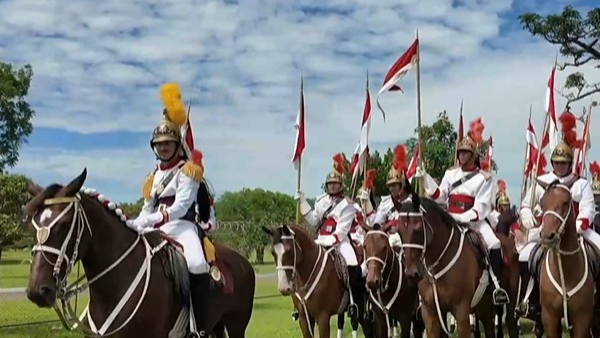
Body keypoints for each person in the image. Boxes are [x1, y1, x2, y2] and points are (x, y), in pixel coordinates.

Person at [128, 83, 210, 337]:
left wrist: (151, 219)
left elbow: (181, 206)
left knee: (197, 264)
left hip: (182, 227)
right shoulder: (150, 177)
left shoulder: (188, 171)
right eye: (159, 144)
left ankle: (197, 324)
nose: (163, 148)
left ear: (176, 144)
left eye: (167, 143)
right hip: (156, 227)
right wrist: (135, 223)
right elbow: (146, 207)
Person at [414, 117, 509, 305]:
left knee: (494, 243)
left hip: (474, 220)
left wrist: (461, 218)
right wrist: (425, 178)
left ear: (473, 155)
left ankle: (497, 286)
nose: (463, 156)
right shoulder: (451, 174)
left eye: (466, 153)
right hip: (449, 219)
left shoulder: (484, 178)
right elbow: (440, 196)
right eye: (461, 152)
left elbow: (481, 208)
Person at [519, 111, 598, 263]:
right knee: (524, 256)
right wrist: (526, 213)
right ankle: (528, 287)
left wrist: (577, 226)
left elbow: (588, 209)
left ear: (569, 163)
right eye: (557, 162)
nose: (560, 166)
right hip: (547, 229)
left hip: (577, 230)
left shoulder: (581, 183)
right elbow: (525, 204)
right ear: (552, 163)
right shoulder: (542, 181)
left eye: (563, 163)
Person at [294, 153, 362, 318]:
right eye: (330, 184)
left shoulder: (348, 205)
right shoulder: (321, 201)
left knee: (352, 262)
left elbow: (342, 230)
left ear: (341, 185)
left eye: (335, 184)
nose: (332, 186)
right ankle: (298, 303)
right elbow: (313, 220)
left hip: (340, 240)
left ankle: (353, 301)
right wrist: (302, 202)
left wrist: (329, 241)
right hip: (320, 239)